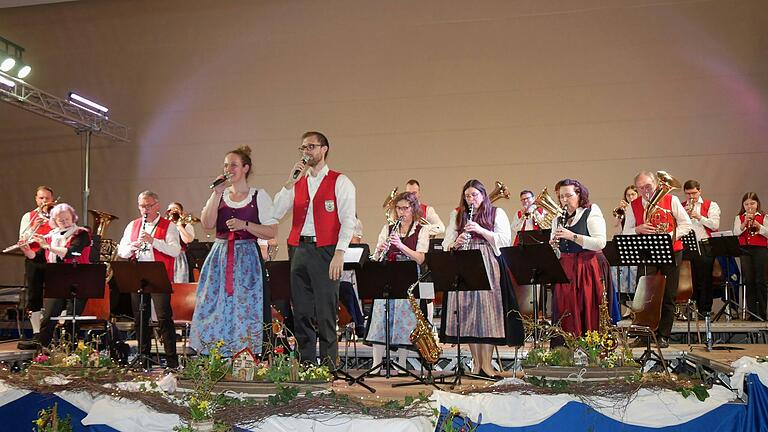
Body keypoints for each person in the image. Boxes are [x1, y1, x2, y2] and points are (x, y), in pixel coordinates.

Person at [273, 131, 356, 367]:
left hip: (326, 250)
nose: (306, 152)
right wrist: (289, 182)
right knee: (301, 313)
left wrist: (340, 252)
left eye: (311, 147)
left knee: (326, 312)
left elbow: (348, 220)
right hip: (299, 250)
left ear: (324, 149)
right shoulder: (298, 182)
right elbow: (275, 213)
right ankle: (306, 366)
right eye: (303, 148)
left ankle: (330, 367)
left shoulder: (340, 181)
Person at [190, 146, 278, 356]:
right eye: (226, 165)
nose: (228, 169)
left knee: (244, 307)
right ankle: (214, 353)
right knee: (214, 304)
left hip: (247, 257)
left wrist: (245, 225)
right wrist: (216, 194)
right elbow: (208, 224)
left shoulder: (258, 196)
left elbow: (271, 231)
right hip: (220, 257)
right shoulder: (219, 195)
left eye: (234, 165)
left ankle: (245, 354)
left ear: (246, 168)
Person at [441, 179, 523, 377]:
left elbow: (504, 240)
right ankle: (476, 364)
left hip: (488, 262)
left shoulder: (497, 213)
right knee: (468, 315)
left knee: (487, 315)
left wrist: (480, 230)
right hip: (464, 263)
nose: (471, 199)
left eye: (475, 195)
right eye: (467, 196)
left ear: (483, 195)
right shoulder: (457, 214)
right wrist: (455, 242)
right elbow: (446, 243)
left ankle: (487, 364)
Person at [622, 172, 692, 348]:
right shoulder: (634, 205)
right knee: (644, 295)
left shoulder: (671, 200)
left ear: (656, 184)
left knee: (669, 294)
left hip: (672, 250)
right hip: (646, 252)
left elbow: (686, 224)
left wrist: (669, 236)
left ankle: (664, 335)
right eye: (641, 188)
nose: (645, 191)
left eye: (648, 186)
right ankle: (644, 334)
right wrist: (638, 229)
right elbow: (626, 232)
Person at [117, 190, 181, 368]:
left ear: (157, 205)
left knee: (163, 317)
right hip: (137, 273)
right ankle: (144, 358)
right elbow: (121, 251)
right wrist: (132, 246)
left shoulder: (169, 226)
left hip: (158, 274)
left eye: (148, 206)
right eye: (142, 206)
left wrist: (153, 241)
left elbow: (175, 251)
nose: (145, 209)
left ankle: (171, 360)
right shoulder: (133, 225)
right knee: (139, 318)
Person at [367, 192, 429, 375]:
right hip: (388, 274)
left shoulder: (421, 229)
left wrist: (401, 246)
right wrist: (379, 251)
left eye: (405, 208)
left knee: (405, 321)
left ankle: (402, 364)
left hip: (408, 276)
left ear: (413, 209)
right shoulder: (388, 228)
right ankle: (375, 364)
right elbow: (376, 258)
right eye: (398, 208)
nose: (401, 212)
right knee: (380, 318)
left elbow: (421, 258)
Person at [20, 203, 92, 348]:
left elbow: (72, 252)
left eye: (67, 218)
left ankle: (72, 352)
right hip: (58, 280)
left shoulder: (81, 233)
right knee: (48, 318)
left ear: (73, 217)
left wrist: (48, 247)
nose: (65, 222)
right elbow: (39, 257)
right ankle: (42, 350)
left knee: (72, 318)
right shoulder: (51, 236)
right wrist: (27, 250)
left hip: (80, 279)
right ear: (54, 221)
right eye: (60, 220)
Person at [550, 179, 607, 338]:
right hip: (565, 269)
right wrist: (553, 246)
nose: (565, 200)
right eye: (562, 197)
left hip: (585, 268)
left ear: (579, 194)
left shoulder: (591, 212)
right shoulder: (557, 219)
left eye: (568, 195)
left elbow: (600, 242)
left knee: (584, 307)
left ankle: (587, 346)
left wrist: (572, 236)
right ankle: (565, 350)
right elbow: (558, 253)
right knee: (565, 309)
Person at [17, 186, 55, 350]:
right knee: (35, 294)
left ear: (52, 199)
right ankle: (37, 333)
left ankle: (52, 332)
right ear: (36, 199)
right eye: (41, 198)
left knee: (56, 295)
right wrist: (34, 227)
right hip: (34, 258)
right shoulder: (29, 216)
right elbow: (22, 238)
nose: (44, 201)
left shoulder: (57, 214)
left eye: (47, 198)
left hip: (52, 257)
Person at [682, 180, 720, 315]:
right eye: (688, 194)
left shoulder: (711, 205)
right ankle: (691, 310)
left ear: (700, 191)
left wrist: (699, 217)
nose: (691, 197)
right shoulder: (681, 206)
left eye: (694, 193)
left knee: (704, 279)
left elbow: (715, 225)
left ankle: (705, 310)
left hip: (705, 245)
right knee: (689, 279)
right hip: (687, 245)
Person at [733, 192, 767, 320]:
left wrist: (759, 226)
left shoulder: (764, 216)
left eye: (752, 203)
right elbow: (736, 232)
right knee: (749, 281)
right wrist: (744, 223)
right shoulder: (739, 217)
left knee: (761, 280)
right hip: (745, 250)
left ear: (757, 204)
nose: (749, 206)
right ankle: (752, 313)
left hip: (761, 250)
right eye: (746, 204)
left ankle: (763, 312)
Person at [610, 186, 639, 316]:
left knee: (633, 274)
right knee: (621, 275)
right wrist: (621, 213)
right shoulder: (624, 210)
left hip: (637, 245)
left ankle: (635, 305)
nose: (630, 197)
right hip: (624, 243)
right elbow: (615, 225)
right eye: (628, 195)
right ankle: (626, 305)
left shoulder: (640, 209)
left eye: (633, 194)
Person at [339, 216, 366, 338]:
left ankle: (357, 322)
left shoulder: (354, 222)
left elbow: (355, 243)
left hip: (345, 261)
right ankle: (357, 322)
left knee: (347, 287)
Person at [166, 202, 196, 283]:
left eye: (176, 210)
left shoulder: (187, 226)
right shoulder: (165, 225)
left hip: (179, 258)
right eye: (170, 210)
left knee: (179, 285)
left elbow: (188, 240)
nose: (172, 212)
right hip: (167, 257)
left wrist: (179, 225)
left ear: (181, 213)